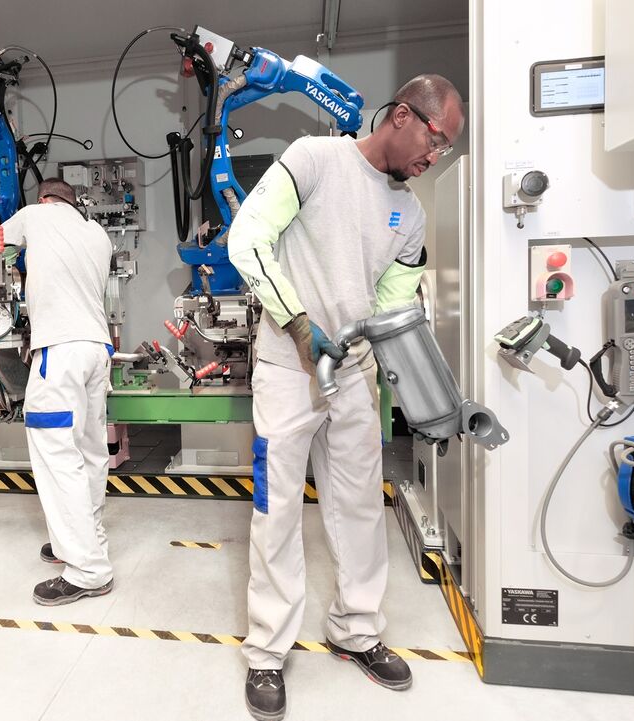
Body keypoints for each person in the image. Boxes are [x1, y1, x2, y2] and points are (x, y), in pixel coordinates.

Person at [227, 75, 464, 720]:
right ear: (402, 116)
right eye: (436, 139)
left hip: (354, 374)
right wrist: (300, 325)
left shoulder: (411, 215)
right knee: (277, 509)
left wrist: (414, 383)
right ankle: (267, 651)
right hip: (287, 367)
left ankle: (356, 630)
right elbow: (248, 239)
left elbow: (391, 307)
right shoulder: (313, 159)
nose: (435, 156)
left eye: (445, 148)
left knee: (360, 505)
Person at [0, 178, 115, 606]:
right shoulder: (98, 233)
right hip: (97, 350)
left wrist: (10, 308)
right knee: (90, 451)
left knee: (57, 458)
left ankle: (87, 570)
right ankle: (83, 542)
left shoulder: (34, 215)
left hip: (60, 353)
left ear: (45, 199)